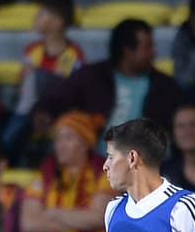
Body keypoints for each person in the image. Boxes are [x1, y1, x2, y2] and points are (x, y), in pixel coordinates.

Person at [39, 19, 183, 150]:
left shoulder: (164, 85)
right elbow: (54, 101)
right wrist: (43, 114)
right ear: (128, 51)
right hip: (98, 169)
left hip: (148, 169)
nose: (154, 52)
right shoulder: (92, 76)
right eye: (147, 47)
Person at [0, 0, 85, 164]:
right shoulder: (32, 50)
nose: (36, 18)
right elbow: (23, 85)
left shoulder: (73, 55)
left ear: (57, 22)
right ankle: (5, 157)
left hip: (59, 110)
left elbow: (73, 90)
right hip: (29, 110)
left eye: (41, 14)